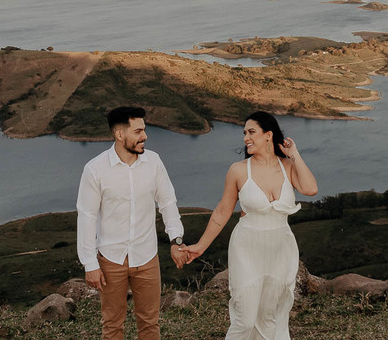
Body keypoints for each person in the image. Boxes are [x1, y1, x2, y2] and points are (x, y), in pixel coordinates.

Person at [184, 111, 318, 340]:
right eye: (244, 133)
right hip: (247, 248)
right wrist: (200, 246)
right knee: (245, 319)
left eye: (251, 132)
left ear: (268, 135)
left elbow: (310, 189)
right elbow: (222, 212)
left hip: (281, 248)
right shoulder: (238, 170)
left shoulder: (287, 166)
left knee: (272, 315)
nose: (246, 137)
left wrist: (294, 154)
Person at [76, 106, 189, 340]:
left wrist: (176, 240)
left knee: (150, 323)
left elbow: (167, 202)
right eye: (138, 131)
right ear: (120, 135)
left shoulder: (154, 162)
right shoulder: (94, 169)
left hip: (147, 257)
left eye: (144, 130)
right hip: (110, 260)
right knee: (112, 324)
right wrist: (89, 264)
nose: (144, 136)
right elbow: (86, 217)